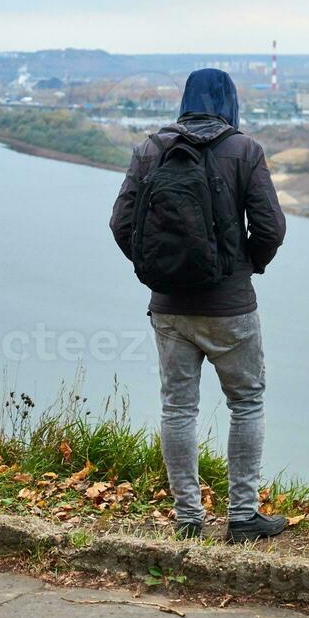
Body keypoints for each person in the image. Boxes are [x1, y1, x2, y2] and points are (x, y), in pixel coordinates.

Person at [110, 69, 287, 542]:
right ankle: (242, 517)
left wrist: (156, 270)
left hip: (168, 308)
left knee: (178, 409)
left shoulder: (150, 150)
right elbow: (271, 229)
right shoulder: (244, 151)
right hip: (230, 308)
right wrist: (247, 267)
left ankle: (188, 519)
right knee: (246, 403)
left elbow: (120, 224)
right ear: (229, 102)